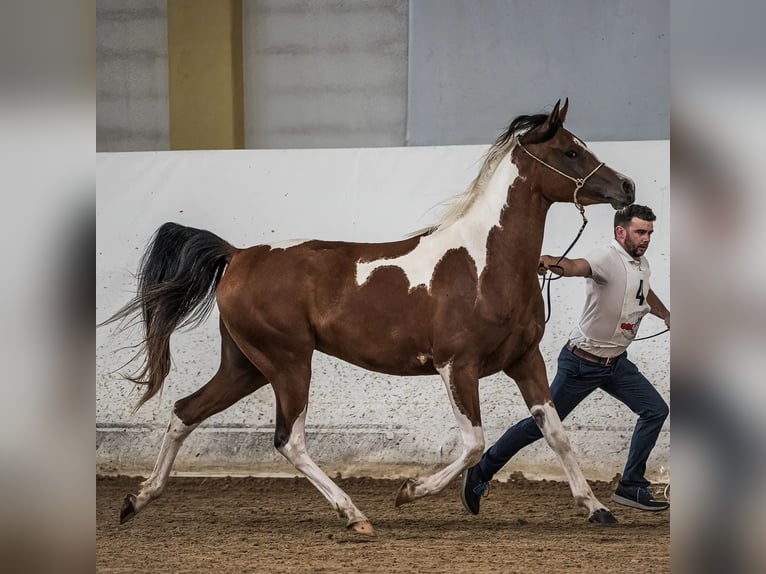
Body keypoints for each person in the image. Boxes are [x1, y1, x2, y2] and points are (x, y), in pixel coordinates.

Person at [462, 203, 670, 515]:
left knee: (655, 410)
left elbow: (644, 291)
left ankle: (631, 484)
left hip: (615, 364)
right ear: (621, 231)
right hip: (582, 365)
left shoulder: (640, 264)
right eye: (641, 232)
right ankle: (481, 471)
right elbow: (575, 266)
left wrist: (667, 315)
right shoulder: (607, 258)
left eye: (650, 233)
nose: (647, 238)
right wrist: (549, 262)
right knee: (539, 426)